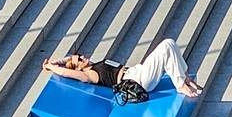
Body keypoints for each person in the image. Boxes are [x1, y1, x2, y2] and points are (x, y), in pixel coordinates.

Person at [42, 38, 202, 99]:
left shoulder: (94, 65)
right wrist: (51, 66)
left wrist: (59, 60)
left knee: (170, 44)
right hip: (136, 81)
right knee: (166, 45)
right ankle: (180, 84)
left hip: (137, 72)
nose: (83, 57)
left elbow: (69, 59)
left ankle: (184, 78)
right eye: (79, 60)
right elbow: (66, 71)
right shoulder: (90, 75)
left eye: (80, 56)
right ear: (79, 69)